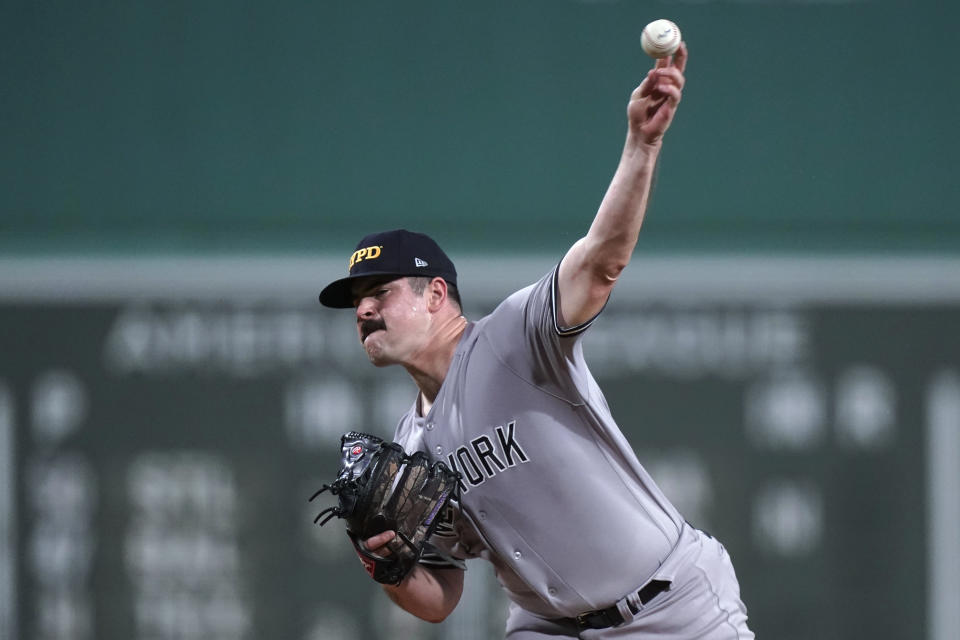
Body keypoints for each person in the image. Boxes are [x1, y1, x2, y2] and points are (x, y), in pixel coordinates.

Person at [319, 42, 753, 639]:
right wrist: (388, 566)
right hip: (548, 627)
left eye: (381, 291)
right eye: (354, 302)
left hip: (668, 608)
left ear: (437, 296)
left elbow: (601, 260)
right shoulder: (408, 449)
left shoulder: (515, 338)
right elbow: (441, 596)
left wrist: (642, 145)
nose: (364, 308)